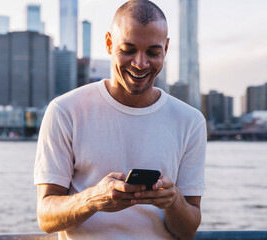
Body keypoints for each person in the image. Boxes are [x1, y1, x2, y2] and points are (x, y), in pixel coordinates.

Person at [34, 0, 206, 239]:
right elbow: (45, 217)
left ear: (165, 49)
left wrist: (173, 200)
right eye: (129, 49)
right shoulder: (65, 111)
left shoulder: (190, 121)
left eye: (153, 52)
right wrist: (94, 199)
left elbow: (188, 230)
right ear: (108, 43)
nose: (140, 63)